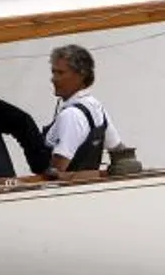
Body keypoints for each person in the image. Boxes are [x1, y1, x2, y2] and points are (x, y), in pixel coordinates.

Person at [43, 43, 123, 177]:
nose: (53, 79)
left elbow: (56, 172)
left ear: (81, 75)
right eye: (53, 72)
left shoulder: (71, 115)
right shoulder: (95, 107)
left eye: (60, 73)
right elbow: (119, 150)